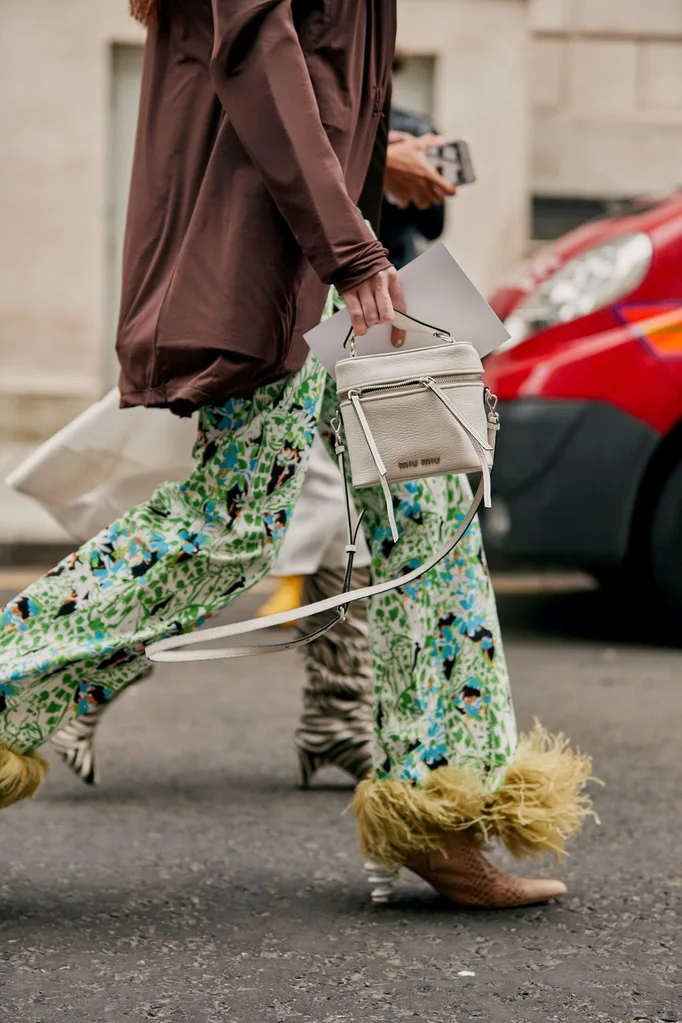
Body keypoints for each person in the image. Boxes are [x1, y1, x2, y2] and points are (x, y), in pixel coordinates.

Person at [0, 0, 593, 908]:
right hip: (279, 258)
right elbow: (255, 53)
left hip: (315, 248)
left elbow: (308, 67)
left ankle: (444, 805)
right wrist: (352, 248)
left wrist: (372, 161)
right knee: (230, 526)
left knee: (424, 500)